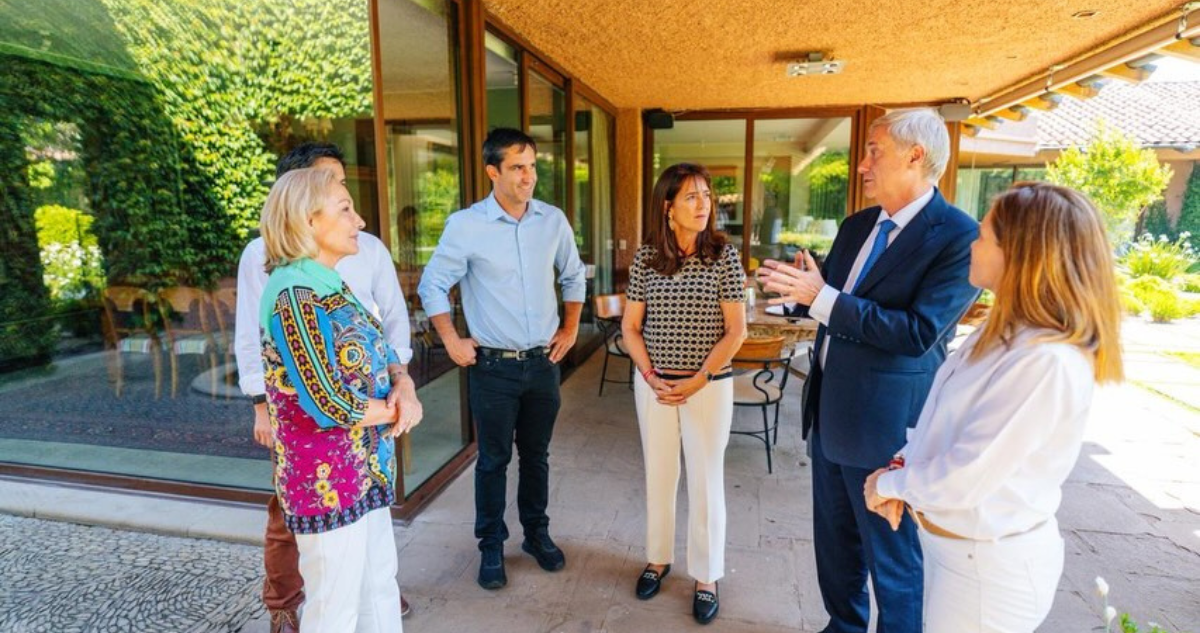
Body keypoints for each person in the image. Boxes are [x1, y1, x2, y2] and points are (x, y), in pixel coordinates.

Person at [863, 183, 1123, 633]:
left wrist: (891, 483)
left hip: (986, 575)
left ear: (1021, 255)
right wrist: (903, 470)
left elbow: (968, 473)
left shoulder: (1045, 361)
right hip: (958, 555)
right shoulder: (1007, 333)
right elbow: (948, 427)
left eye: (984, 236)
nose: (971, 243)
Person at [759, 108, 979, 633]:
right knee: (835, 547)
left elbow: (916, 333)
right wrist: (796, 296)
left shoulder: (958, 237)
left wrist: (824, 298)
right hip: (829, 415)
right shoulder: (858, 225)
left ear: (915, 156)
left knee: (893, 562)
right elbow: (830, 301)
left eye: (873, 150)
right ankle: (843, 625)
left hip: (889, 430)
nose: (861, 164)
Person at [234, 143, 419, 632]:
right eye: (345, 209)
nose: (358, 220)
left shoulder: (325, 283)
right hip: (328, 483)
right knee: (334, 609)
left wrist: (403, 387)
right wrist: (398, 411)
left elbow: (377, 356)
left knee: (377, 585)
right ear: (308, 221)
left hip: (361, 470)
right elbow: (330, 402)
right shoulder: (295, 292)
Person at [417, 127, 586, 591]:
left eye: (531, 166)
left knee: (537, 457)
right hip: (491, 368)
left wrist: (570, 329)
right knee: (493, 460)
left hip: (542, 364)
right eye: (516, 167)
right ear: (493, 171)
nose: (528, 176)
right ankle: (491, 545)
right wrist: (452, 339)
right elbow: (432, 285)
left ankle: (536, 534)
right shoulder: (466, 225)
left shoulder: (552, 221)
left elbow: (573, 277)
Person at [621, 163, 747, 625]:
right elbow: (631, 327)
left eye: (707, 196)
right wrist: (651, 375)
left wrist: (699, 379)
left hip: (708, 386)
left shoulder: (723, 256)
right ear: (668, 206)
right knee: (659, 473)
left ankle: (707, 575)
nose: (703, 205)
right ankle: (658, 559)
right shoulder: (646, 258)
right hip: (654, 384)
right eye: (692, 197)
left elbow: (736, 331)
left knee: (706, 478)